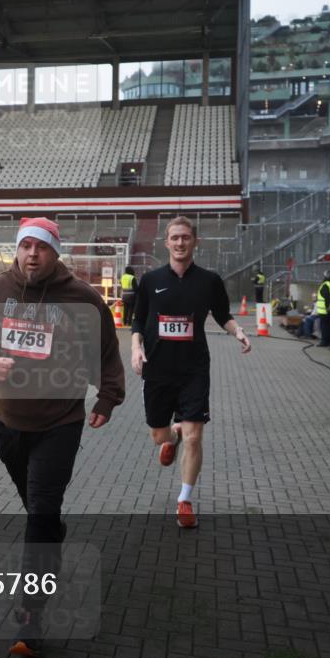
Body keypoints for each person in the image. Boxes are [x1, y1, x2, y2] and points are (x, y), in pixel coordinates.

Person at [0, 217, 125, 657]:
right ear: (17, 250)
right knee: (40, 512)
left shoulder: (82, 299)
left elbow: (106, 353)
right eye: (26, 246)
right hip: (9, 422)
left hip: (60, 422)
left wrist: (107, 399)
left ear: (56, 252)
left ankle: (30, 618)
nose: (33, 254)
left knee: (40, 513)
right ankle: (50, 529)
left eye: (42, 247)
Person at [130, 216, 251, 529]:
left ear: (195, 241)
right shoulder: (150, 279)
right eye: (175, 238)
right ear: (167, 243)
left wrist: (238, 331)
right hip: (157, 369)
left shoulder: (209, 280)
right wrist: (135, 348)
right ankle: (173, 436)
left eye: (185, 237)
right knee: (159, 436)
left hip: (194, 369)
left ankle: (184, 500)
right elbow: (138, 320)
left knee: (196, 436)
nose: (180, 243)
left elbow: (223, 314)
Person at [315, 270, 330, 347]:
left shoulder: (325, 285)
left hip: (324, 310)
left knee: (324, 326)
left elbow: (327, 297)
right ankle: (329, 341)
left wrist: (327, 307)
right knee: (328, 325)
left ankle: (324, 341)